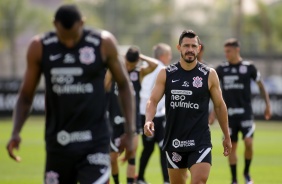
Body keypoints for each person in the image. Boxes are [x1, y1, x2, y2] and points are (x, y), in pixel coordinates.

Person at [6, 4, 136, 184]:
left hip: (94, 141)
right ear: (54, 25)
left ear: (82, 23)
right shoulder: (40, 47)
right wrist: (15, 132)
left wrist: (130, 132)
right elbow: (26, 96)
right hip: (58, 143)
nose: (68, 43)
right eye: (63, 38)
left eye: (73, 38)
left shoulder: (102, 43)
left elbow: (123, 85)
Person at [144, 30, 232, 184]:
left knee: (199, 181)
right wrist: (148, 120)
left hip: (200, 140)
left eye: (193, 46)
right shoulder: (166, 73)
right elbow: (152, 100)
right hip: (174, 140)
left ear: (198, 48)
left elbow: (219, 106)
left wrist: (227, 135)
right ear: (179, 48)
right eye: (186, 46)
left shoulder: (209, 74)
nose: (190, 49)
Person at [213, 38, 271, 184]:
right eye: (225, 51)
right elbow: (212, 89)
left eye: (229, 51)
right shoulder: (221, 69)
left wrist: (267, 105)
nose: (226, 54)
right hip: (228, 116)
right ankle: (234, 179)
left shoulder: (249, 67)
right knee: (231, 147)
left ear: (237, 50)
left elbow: (261, 85)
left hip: (245, 113)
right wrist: (213, 111)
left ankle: (246, 172)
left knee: (249, 143)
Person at [105, 46, 158, 184]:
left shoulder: (139, 72)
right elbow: (105, 85)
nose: (128, 66)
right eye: (127, 63)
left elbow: (155, 64)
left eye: (131, 64)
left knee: (132, 155)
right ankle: (116, 181)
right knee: (112, 158)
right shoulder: (115, 70)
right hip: (114, 120)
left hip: (133, 122)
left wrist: (141, 57)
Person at [137, 43, 172, 184]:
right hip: (149, 115)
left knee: (162, 147)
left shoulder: (151, 68)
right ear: (163, 56)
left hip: (157, 115)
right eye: (169, 55)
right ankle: (140, 178)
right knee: (149, 149)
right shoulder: (158, 67)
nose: (170, 58)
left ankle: (165, 180)